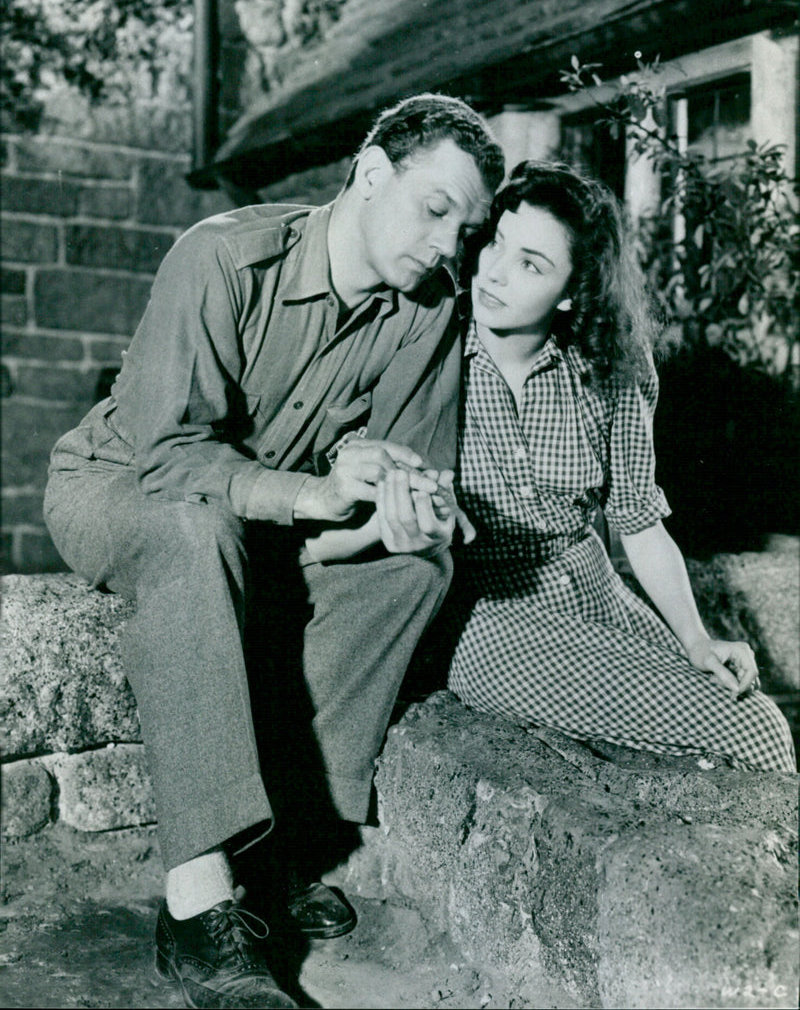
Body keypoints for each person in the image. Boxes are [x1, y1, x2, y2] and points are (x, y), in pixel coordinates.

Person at [43, 93, 504, 1010]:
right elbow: (170, 459)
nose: (451, 245)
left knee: (414, 571)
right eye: (436, 209)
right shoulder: (220, 256)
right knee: (194, 530)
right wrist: (317, 495)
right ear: (372, 175)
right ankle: (197, 907)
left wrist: (408, 517)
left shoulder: (426, 310)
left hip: (262, 518)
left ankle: (281, 848)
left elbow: (408, 472)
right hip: (123, 486)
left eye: (470, 227)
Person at [441, 160, 795, 774]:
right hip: (488, 619)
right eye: (498, 241)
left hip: (595, 593)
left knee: (753, 715)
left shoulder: (607, 371)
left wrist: (695, 636)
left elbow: (638, 520)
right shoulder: (432, 356)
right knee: (755, 733)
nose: (494, 272)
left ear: (574, 290)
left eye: (532, 263)